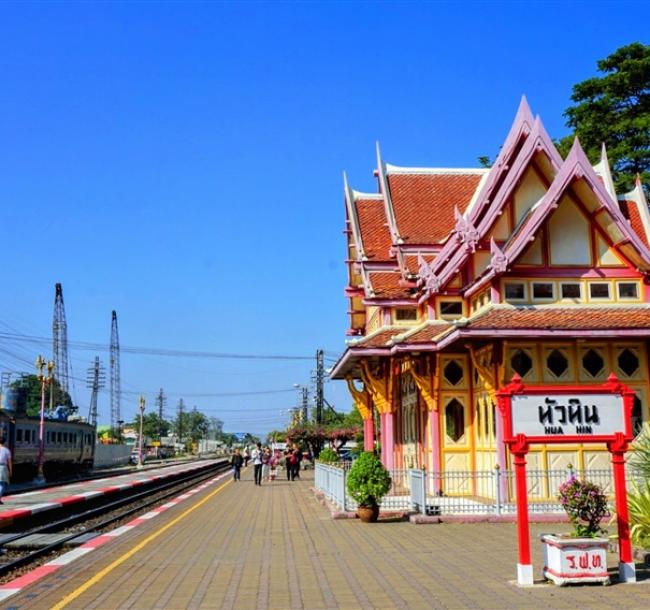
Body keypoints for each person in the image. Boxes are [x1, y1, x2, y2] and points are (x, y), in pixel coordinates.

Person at [0, 436, 12, 504]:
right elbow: (9, 462)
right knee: (1, 484)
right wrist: (10, 471)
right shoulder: (6, 450)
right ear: (4, 442)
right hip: (3, 467)